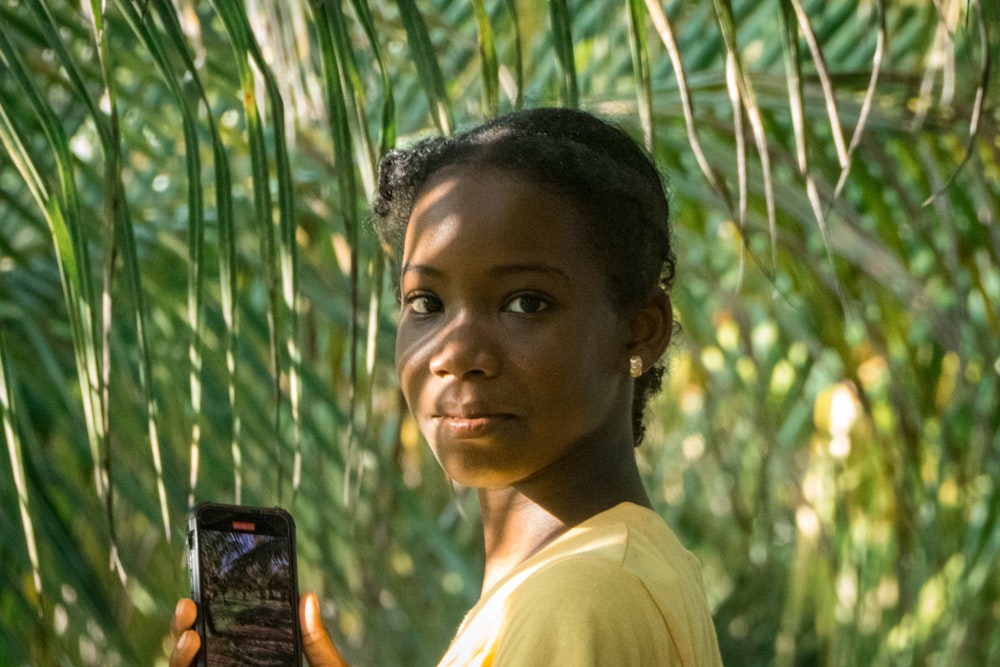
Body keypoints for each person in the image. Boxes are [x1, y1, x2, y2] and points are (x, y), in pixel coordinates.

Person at [169, 107, 723, 666]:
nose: (455, 354)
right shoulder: (635, 566)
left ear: (640, 330)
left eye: (525, 303)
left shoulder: (576, 603)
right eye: (426, 303)